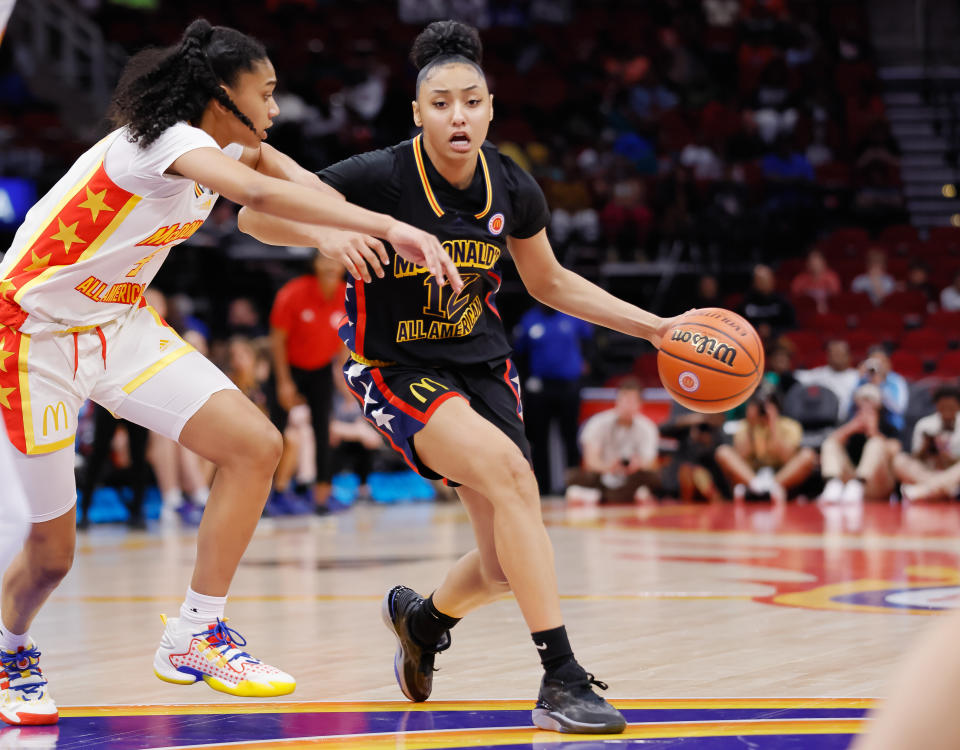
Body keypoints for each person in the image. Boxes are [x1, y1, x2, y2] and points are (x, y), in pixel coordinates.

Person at [0, 18, 456, 726]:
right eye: (266, 94)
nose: (274, 111)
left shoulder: (236, 146)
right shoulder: (167, 142)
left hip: (116, 324)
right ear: (221, 93)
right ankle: (11, 649)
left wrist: (342, 228)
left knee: (257, 446)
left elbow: (303, 186)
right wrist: (391, 228)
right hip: (30, 335)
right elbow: (264, 197)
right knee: (52, 556)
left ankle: (195, 633)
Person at [237, 19, 684, 735]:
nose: (458, 116)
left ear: (490, 107)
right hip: (396, 367)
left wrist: (655, 328)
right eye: (441, 103)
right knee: (511, 475)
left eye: (471, 102)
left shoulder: (511, 183)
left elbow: (552, 283)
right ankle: (561, 680)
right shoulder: (378, 175)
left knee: (507, 566)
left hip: (483, 367)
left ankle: (423, 620)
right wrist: (331, 230)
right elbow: (255, 217)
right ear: (418, 113)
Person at [269, 252, 348, 513]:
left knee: (323, 431)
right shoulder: (294, 293)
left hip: (321, 371)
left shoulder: (344, 295)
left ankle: (322, 497)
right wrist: (284, 382)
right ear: (315, 264)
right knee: (275, 431)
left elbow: (342, 343)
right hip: (288, 368)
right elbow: (277, 341)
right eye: (324, 259)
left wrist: (344, 378)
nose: (330, 265)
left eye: (334, 259)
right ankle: (268, 496)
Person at [513, 302, 592, 495]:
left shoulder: (572, 314)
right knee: (539, 440)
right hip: (540, 390)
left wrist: (588, 363)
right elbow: (519, 353)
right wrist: (525, 382)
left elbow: (592, 340)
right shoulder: (529, 320)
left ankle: (574, 486)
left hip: (568, 387)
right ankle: (543, 487)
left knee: (570, 438)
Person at [565, 378, 661, 504]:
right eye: (625, 400)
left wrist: (637, 464)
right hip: (603, 474)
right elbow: (590, 461)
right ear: (617, 401)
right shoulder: (597, 423)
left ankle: (595, 495)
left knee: (654, 477)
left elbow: (651, 463)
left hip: (632, 476)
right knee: (572, 476)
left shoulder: (648, 427)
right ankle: (624, 494)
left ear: (640, 404)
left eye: (632, 401)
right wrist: (609, 467)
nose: (627, 405)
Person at [714, 387, 817, 505]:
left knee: (808, 455)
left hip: (781, 474)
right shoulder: (745, 426)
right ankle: (757, 486)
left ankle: (771, 487)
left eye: (769, 405)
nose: (763, 410)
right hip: (752, 475)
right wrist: (751, 426)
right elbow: (741, 456)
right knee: (723, 451)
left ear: (777, 407)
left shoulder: (790, 426)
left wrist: (773, 425)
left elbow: (787, 458)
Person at [818, 383, 901, 503]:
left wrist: (873, 431)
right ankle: (833, 484)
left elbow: (895, 450)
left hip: (879, 484)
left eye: (870, 400)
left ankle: (858, 484)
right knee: (830, 443)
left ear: (879, 405)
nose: (866, 405)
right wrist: (850, 429)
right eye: (863, 400)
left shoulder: (889, 426)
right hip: (849, 484)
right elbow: (829, 442)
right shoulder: (849, 422)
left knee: (876, 443)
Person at [894, 386, 960, 502]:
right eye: (943, 407)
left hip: (954, 472)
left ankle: (922, 491)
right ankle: (943, 489)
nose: (947, 411)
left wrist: (948, 458)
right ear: (936, 406)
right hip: (928, 472)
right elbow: (916, 458)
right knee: (899, 460)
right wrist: (925, 449)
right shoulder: (925, 424)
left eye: (951, 407)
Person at [794, 339, 860, 420]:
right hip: (823, 420)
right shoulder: (819, 373)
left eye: (839, 354)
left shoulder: (857, 376)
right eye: (833, 354)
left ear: (848, 356)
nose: (836, 357)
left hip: (849, 419)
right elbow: (795, 376)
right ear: (828, 356)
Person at [738, 263, 796, 345]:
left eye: (766, 280)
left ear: (773, 280)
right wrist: (757, 330)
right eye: (760, 280)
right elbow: (737, 326)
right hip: (752, 341)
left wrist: (772, 331)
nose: (763, 283)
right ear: (754, 282)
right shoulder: (746, 302)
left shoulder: (782, 302)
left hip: (776, 341)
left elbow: (792, 326)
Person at [857, 346, 908, 433]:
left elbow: (899, 409)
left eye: (881, 362)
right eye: (874, 361)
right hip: (861, 427)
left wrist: (880, 385)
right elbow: (850, 407)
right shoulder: (863, 379)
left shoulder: (896, 381)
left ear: (888, 363)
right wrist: (859, 377)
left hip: (890, 427)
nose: (878, 366)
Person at [789, 247, 840, 314]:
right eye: (811, 261)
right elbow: (795, 300)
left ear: (824, 262)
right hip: (806, 313)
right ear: (807, 263)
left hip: (827, 313)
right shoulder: (799, 279)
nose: (814, 263)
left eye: (817, 260)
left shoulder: (832, 278)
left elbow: (836, 299)